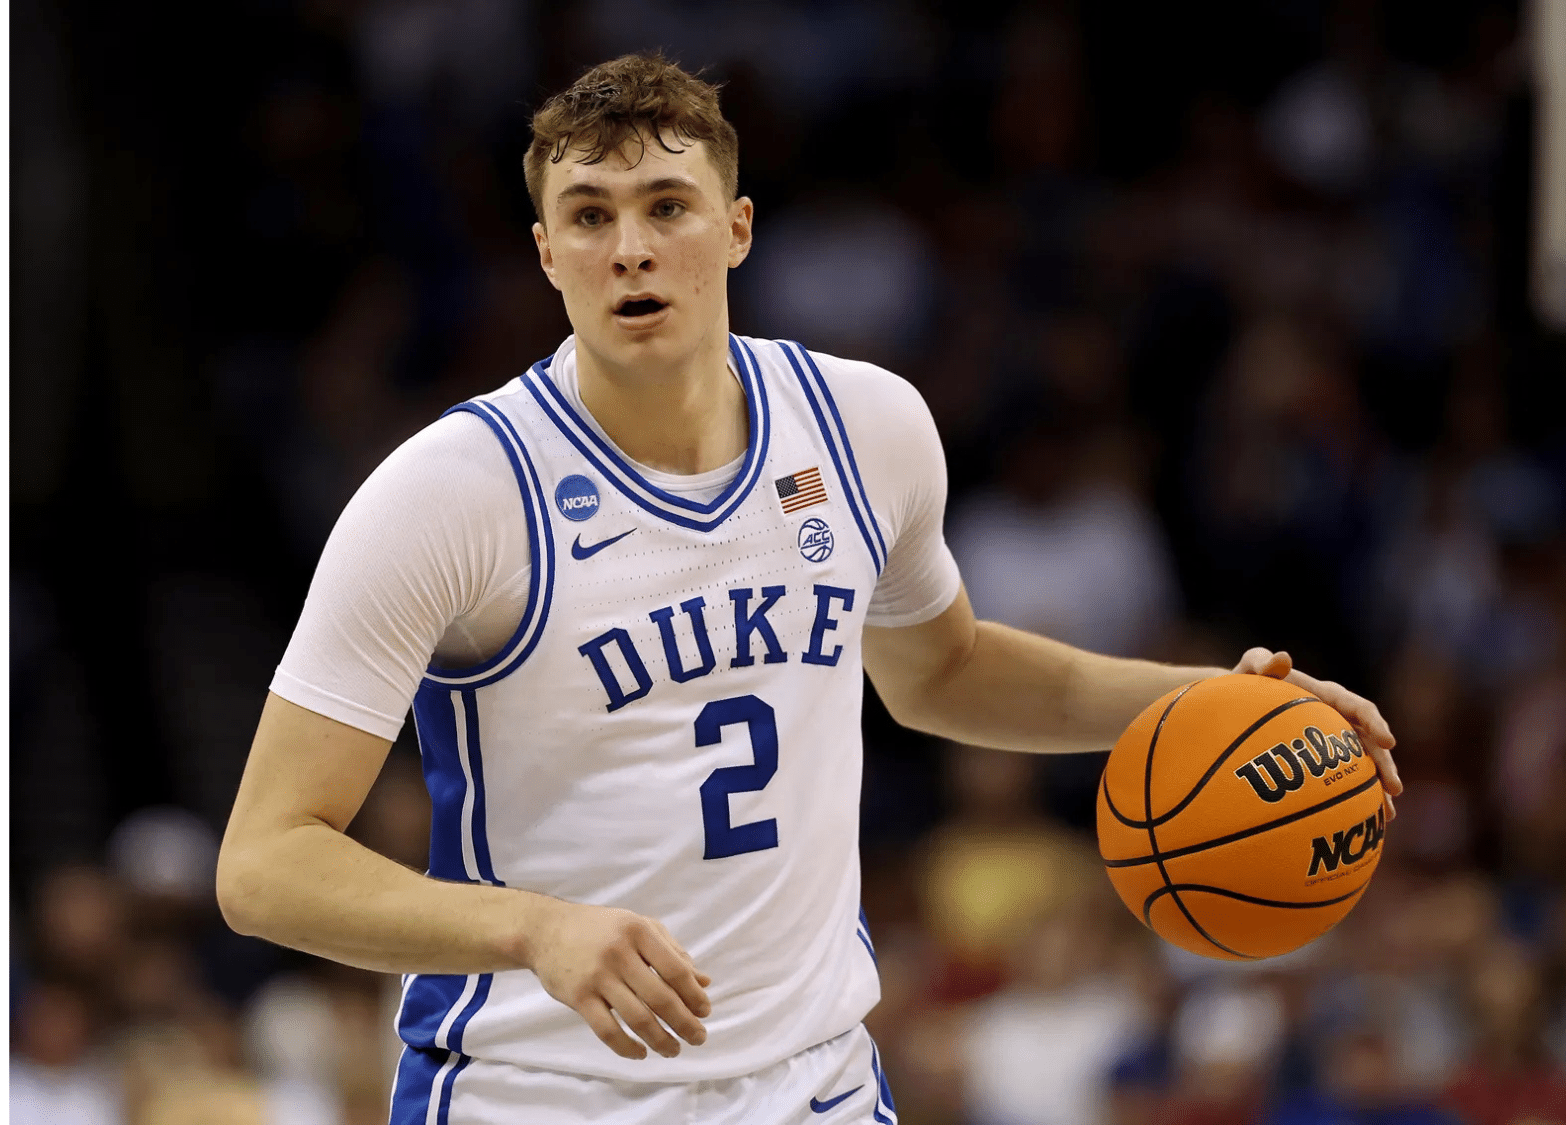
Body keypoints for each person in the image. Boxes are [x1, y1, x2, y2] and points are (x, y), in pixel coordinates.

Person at [215, 53, 1403, 1125]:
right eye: (588, 215)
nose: (628, 246)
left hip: (811, 1087)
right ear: (545, 252)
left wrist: (1212, 703)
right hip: (537, 1096)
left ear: (734, 230)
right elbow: (264, 864)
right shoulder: (452, 493)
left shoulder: (863, 427)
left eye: (664, 207)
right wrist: (531, 928)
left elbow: (942, 671)